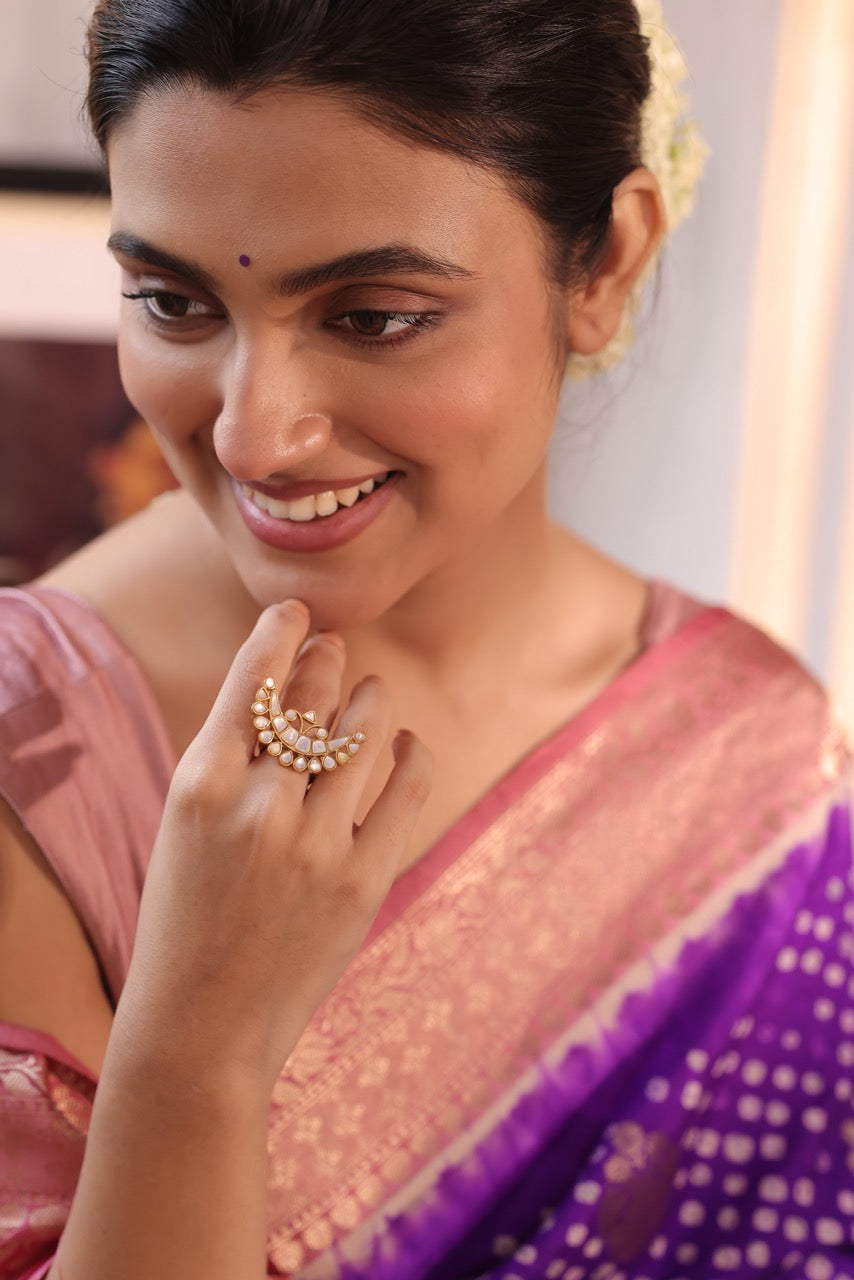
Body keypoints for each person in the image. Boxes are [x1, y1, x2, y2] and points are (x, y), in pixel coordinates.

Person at [0, 1, 851, 1277]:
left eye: (372, 316)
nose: (251, 435)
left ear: (604, 265)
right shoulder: (30, 760)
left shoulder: (755, 769)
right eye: (172, 301)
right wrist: (194, 1057)